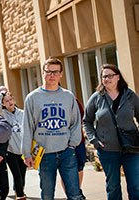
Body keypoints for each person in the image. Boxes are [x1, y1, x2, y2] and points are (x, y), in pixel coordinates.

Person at [22, 58, 82, 200]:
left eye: (55, 72)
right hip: (44, 153)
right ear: (43, 73)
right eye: (48, 72)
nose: (52, 75)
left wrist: (72, 144)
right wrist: (26, 153)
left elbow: (75, 122)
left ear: (61, 74)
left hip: (66, 152)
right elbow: (27, 126)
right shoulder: (32, 98)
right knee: (47, 195)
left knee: (74, 194)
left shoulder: (68, 96)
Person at [83, 64, 139, 200]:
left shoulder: (130, 95)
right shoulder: (97, 97)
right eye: (104, 76)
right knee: (113, 186)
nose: (107, 79)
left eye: (110, 76)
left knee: (135, 185)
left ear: (118, 77)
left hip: (131, 149)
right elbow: (86, 121)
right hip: (107, 150)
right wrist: (94, 141)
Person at [0, 91, 27, 200]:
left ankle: (20, 190)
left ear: (14, 100)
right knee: (17, 175)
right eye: (6, 101)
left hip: (22, 149)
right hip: (10, 151)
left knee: (22, 174)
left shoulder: (23, 113)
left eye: (10, 100)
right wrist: (1, 94)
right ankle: (20, 195)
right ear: (3, 104)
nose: (9, 102)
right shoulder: (3, 114)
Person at [61, 98, 87, 199]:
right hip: (62, 144)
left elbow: (82, 116)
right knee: (65, 169)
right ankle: (69, 195)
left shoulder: (72, 99)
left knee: (80, 167)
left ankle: (77, 191)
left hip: (78, 141)